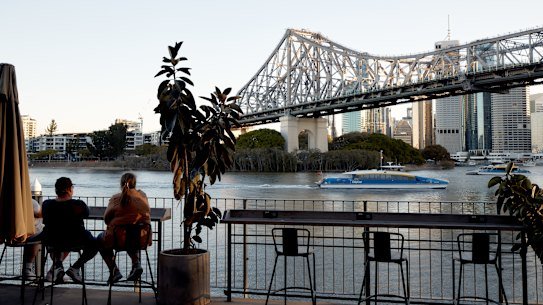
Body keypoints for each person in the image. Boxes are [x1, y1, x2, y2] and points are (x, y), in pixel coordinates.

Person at [42, 177, 98, 284]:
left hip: (52, 240)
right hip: (74, 240)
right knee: (95, 243)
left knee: (57, 240)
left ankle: (58, 266)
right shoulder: (78, 204)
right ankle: (75, 268)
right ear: (69, 189)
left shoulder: (47, 204)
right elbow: (87, 213)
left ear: (56, 190)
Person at [98, 172, 151, 284]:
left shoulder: (116, 198)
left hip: (120, 239)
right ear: (135, 184)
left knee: (100, 239)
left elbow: (106, 218)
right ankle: (136, 264)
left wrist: (116, 221)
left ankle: (114, 271)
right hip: (141, 239)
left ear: (121, 184)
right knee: (130, 235)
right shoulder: (143, 196)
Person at [21, 198, 44, 279]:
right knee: (40, 237)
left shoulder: (5, 200)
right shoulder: (29, 201)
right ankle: (55, 268)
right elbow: (40, 213)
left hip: (9, 236)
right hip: (28, 236)